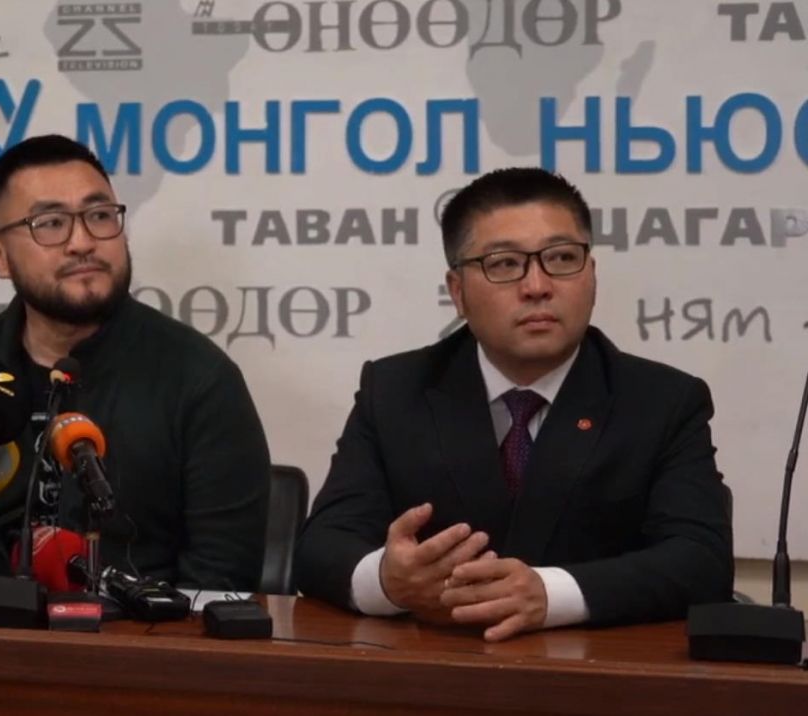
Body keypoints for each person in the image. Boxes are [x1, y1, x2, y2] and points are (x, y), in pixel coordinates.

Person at [294, 167, 733, 640]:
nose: (537, 286)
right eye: (504, 264)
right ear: (458, 292)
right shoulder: (395, 391)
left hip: (596, 670)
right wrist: (388, 581)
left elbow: (700, 562)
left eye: (562, 258)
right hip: (434, 664)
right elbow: (322, 547)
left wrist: (550, 594)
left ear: (591, 274)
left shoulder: (662, 402)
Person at [0, 134, 270, 590]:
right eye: (50, 223)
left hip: (143, 631)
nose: (82, 242)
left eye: (99, 216)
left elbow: (222, 579)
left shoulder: (200, 379)